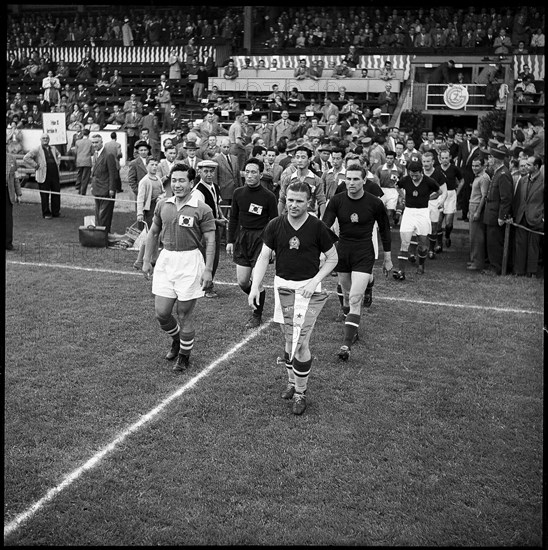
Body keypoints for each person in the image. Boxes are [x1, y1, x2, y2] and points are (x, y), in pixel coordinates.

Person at [249, 181, 338, 415]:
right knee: (289, 340)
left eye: (299, 201)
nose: (293, 205)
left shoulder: (317, 226)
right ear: (284, 199)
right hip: (283, 287)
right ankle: (291, 382)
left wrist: (314, 281)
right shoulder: (275, 225)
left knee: (301, 344)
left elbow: (332, 258)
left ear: (308, 202)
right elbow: (263, 256)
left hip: (307, 290)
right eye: (290, 200)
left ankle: (301, 392)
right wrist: (255, 285)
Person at [142, 162, 216, 372]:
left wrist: (208, 269)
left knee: (184, 314)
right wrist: (148, 260)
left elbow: (210, 240)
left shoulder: (202, 209)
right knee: (162, 313)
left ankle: (184, 355)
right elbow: (153, 233)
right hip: (166, 260)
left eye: (182, 180)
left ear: (191, 183)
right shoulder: (163, 204)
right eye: (174, 180)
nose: (177, 184)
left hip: (190, 262)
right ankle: (177, 340)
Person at [322, 163, 393, 361]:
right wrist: (323, 249)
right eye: (348, 179)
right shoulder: (337, 201)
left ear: (364, 181)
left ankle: (346, 344)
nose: (351, 183)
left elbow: (385, 229)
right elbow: (324, 226)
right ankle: (352, 329)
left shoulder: (374, 203)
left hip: (364, 251)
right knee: (346, 296)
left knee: (355, 298)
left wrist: (387, 257)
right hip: (343, 251)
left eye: (355, 179)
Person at [226, 157, 278, 328]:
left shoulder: (269, 196)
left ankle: (257, 314)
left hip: (261, 240)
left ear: (260, 174)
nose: (249, 175)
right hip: (243, 238)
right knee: (242, 281)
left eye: (253, 172)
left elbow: (274, 222)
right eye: (246, 172)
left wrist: (273, 247)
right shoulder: (238, 193)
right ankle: (256, 295)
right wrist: (230, 240)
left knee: (257, 279)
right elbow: (233, 218)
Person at [393, 161, 441, 280]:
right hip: (409, 212)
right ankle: (401, 271)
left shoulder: (429, 181)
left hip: (422, 213)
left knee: (422, 244)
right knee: (404, 243)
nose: (413, 177)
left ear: (421, 172)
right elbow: (397, 186)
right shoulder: (405, 180)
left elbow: (439, 192)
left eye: (416, 175)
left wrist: (429, 198)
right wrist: (403, 196)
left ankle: (421, 265)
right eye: (411, 174)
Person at [192, 160, 228, 298]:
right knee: (206, 257)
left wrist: (222, 216)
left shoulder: (215, 186)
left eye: (211, 171)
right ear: (199, 172)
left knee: (215, 258)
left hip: (214, 227)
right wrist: (217, 221)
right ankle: (205, 287)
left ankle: (208, 284)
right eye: (205, 171)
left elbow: (217, 204)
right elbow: (199, 215)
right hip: (204, 230)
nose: (209, 174)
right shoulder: (198, 191)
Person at [482, 145, 513, 276]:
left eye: (490, 158)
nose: (488, 160)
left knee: (495, 242)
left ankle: (497, 268)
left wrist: (502, 216)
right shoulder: (498, 173)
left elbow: (506, 198)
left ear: (495, 160)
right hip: (491, 213)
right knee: (491, 241)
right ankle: (493, 265)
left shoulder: (503, 174)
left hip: (496, 215)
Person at [511, 156, 544, 277]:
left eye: (529, 165)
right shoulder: (523, 180)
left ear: (536, 167)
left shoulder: (543, 181)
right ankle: (519, 270)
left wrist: (542, 217)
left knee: (533, 246)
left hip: (536, 218)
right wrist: (514, 215)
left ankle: (531, 271)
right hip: (521, 216)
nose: (525, 167)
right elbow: (517, 199)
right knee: (520, 244)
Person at [134, 156, 164, 270]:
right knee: (150, 235)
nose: (154, 167)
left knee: (155, 235)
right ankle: (140, 260)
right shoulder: (145, 181)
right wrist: (139, 213)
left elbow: (163, 192)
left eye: (156, 165)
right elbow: (140, 198)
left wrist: (160, 197)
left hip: (157, 209)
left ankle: (152, 259)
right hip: (149, 210)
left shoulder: (158, 178)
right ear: (147, 166)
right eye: (152, 165)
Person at [23, 133, 62, 219]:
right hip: (43, 175)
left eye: (47, 138)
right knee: (44, 195)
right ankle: (46, 213)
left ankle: (56, 212)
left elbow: (59, 155)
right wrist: (35, 165)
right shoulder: (37, 149)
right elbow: (26, 158)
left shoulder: (53, 148)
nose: (45, 139)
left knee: (56, 193)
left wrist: (58, 162)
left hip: (54, 174)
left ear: (49, 139)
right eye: (43, 138)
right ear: (40, 140)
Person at [90, 134, 118, 234]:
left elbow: (112, 173)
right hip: (97, 189)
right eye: (93, 142)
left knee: (104, 215)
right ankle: (99, 235)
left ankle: (104, 235)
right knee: (98, 214)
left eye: (96, 142)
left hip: (106, 190)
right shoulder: (95, 154)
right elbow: (94, 173)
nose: (94, 144)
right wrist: (92, 186)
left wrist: (111, 189)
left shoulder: (108, 155)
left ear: (102, 142)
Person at [467, 156, 490, 271]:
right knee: (472, 236)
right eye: (473, 165)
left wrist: (477, 212)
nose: (474, 168)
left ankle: (478, 263)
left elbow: (484, 196)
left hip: (477, 207)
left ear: (482, 166)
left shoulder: (484, 178)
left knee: (477, 237)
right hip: (472, 206)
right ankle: (473, 259)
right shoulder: (477, 177)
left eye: (477, 166)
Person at [6, 151, 22, 250]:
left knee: (8, 219)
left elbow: (16, 178)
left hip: (8, 192)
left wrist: (18, 194)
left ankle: (8, 243)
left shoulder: (12, 158)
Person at [74, 128, 93, 195]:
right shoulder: (90, 142)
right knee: (85, 177)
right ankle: (83, 191)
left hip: (79, 160)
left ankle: (78, 188)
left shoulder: (77, 142)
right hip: (87, 160)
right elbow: (92, 152)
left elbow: (75, 152)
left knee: (79, 175)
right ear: (88, 134)